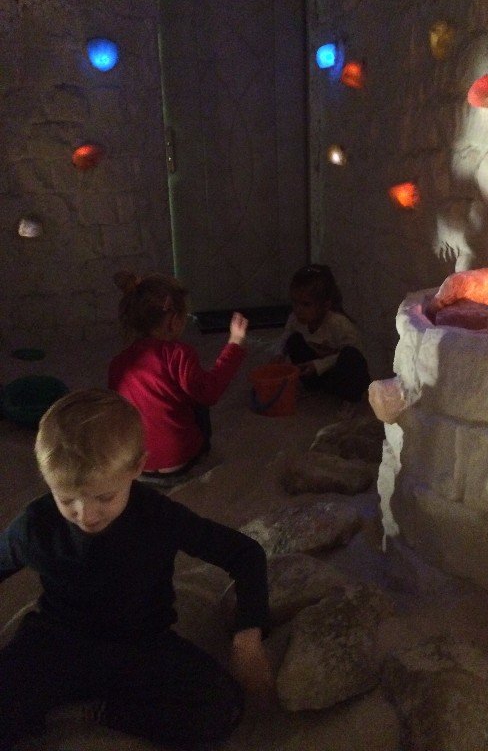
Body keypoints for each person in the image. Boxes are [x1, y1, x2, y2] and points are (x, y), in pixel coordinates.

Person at [0, 389, 274, 751]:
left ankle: (101, 713)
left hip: (141, 644)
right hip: (57, 641)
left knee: (221, 707)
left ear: (137, 467)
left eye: (104, 497)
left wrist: (247, 639)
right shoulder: (36, 525)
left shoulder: (158, 516)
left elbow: (245, 553)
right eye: (66, 499)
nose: (86, 515)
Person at [109, 271, 248, 478]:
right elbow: (210, 392)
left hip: (138, 464)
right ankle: (194, 454)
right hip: (179, 460)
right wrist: (235, 343)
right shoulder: (178, 354)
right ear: (173, 321)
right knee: (198, 397)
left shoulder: (117, 363)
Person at [274, 264, 371, 403]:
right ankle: (314, 384)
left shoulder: (339, 324)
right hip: (316, 369)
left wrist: (319, 365)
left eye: (306, 304)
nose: (298, 310)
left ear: (325, 305)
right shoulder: (295, 319)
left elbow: (356, 353)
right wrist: (278, 354)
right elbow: (285, 336)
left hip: (337, 370)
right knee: (293, 340)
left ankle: (348, 395)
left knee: (350, 356)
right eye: (295, 302)